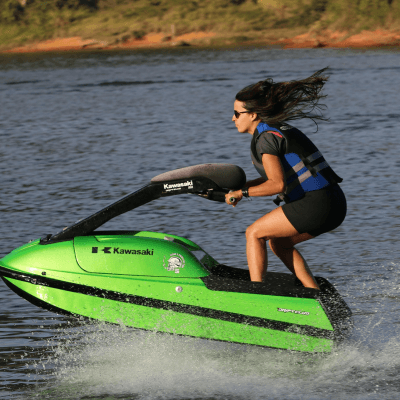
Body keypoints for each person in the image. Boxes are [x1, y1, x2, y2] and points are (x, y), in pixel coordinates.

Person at [225, 68, 346, 289]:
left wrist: (242, 193)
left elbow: (276, 184)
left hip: (316, 203)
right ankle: (313, 294)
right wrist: (239, 187)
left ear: (253, 114)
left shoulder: (266, 138)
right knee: (279, 244)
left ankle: (256, 294)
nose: (232, 118)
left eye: (237, 113)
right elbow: (280, 177)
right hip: (334, 202)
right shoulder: (277, 129)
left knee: (254, 233)